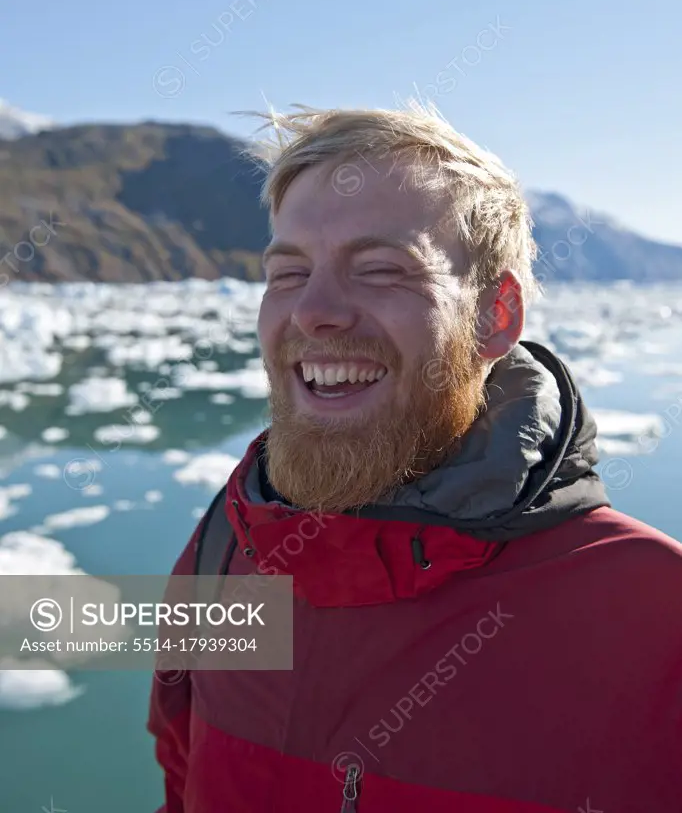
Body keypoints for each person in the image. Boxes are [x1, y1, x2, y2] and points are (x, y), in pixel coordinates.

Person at [148, 105, 682, 812]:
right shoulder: (221, 553)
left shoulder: (651, 617)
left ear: (496, 316)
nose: (314, 311)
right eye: (287, 272)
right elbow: (180, 779)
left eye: (380, 269)